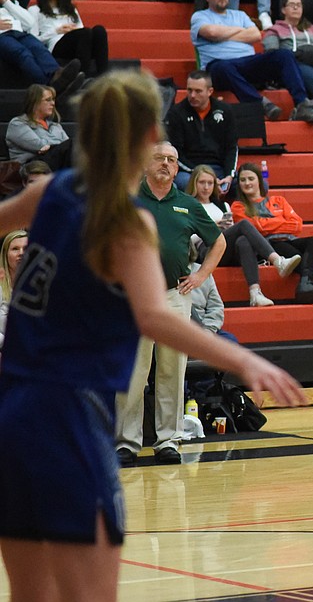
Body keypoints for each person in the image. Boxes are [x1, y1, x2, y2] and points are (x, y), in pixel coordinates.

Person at [0, 72, 304, 600]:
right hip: (69, 412)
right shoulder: (125, 220)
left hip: (12, 410)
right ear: (146, 137)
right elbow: (156, 316)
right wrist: (247, 362)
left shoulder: (51, 190)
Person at [114, 140, 226, 467]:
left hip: (176, 297)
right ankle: (126, 443)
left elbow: (218, 242)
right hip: (135, 298)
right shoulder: (129, 200)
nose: (165, 163)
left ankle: (169, 440)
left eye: (172, 160)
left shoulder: (189, 204)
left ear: (178, 168)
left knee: (172, 371)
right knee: (135, 372)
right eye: (159, 158)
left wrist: (201, 275)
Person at [191, 0, 313, 123]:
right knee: (224, 66)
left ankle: (302, 104)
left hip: (247, 63)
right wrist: (239, 31)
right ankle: (261, 104)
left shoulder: (240, 15)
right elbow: (211, 33)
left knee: (283, 55)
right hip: (218, 68)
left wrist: (223, 35)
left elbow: (255, 35)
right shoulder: (200, 16)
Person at [231, 162, 313, 306]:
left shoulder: (278, 200)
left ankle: (307, 283)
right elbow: (258, 228)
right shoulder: (238, 206)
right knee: (289, 250)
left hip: (289, 239)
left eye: (250, 179)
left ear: (259, 180)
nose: (247, 183)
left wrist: (267, 223)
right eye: (242, 180)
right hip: (268, 246)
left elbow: (297, 224)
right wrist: (280, 221)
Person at [186, 164, 302, 307]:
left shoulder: (223, 206)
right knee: (244, 225)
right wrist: (213, 227)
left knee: (243, 240)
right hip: (205, 249)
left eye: (210, 183)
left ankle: (255, 293)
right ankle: (278, 261)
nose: (206, 187)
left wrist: (227, 227)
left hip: (225, 248)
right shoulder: (188, 205)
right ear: (194, 184)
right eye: (202, 182)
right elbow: (188, 238)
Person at [164, 70, 237, 190]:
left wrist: (229, 175)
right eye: (189, 90)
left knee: (249, 183)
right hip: (189, 171)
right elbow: (176, 153)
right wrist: (202, 175)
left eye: (198, 91)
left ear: (210, 91)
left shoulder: (225, 111)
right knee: (184, 182)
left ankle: (234, 209)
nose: (192, 95)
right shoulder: (176, 113)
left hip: (218, 169)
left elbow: (231, 147)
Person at [29, 0, 109, 78]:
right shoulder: (35, 10)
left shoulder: (70, 9)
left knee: (99, 30)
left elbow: (82, 30)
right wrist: (57, 31)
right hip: (56, 45)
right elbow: (34, 40)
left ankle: (103, 75)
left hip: (78, 42)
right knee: (85, 33)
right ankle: (82, 75)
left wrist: (72, 30)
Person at [5, 83, 69, 168]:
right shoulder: (17, 124)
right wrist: (57, 146)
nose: (53, 103)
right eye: (48, 100)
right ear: (35, 102)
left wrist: (51, 146)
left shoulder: (55, 126)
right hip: (31, 166)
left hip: (55, 163)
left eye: (53, 99)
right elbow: (38, 145)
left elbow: (67, 146)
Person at [0, 228, 25, 345]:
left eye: (25, 249)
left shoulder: (40, 289)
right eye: (15, 249)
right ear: (5, 255)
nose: (21, 253)